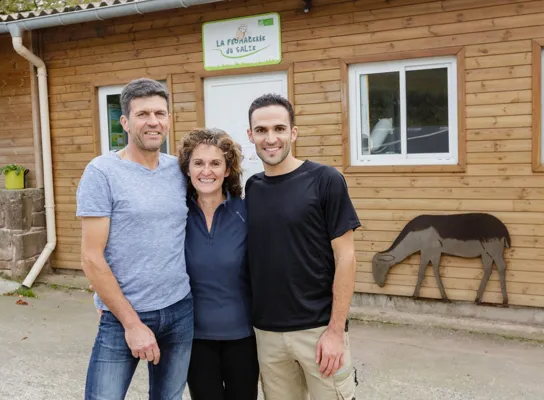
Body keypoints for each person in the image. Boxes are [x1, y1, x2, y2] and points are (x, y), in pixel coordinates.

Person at [77, 78, 193, 400]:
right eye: (143, 114)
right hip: (123, 317)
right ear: (125, 122)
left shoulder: (179, 171)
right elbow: (91, 257)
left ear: (169, 119)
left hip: (180, 310)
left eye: (160, 113)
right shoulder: (102, 172)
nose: (153, 121)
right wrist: (131, 323)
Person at [244, 93, 360, 400]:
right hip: (267, 333)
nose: (271, 138)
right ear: (250, 135)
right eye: (262, 130)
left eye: (279, 129)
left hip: (318, 331)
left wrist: (336, 332)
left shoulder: (325, 180)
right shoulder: (252, 188)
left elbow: (346, 258)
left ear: (293, 132)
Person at [177, 128, 259, 400]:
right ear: (187, 169)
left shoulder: (246, 212)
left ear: (227, 170)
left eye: (215, 163)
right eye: (198, 163)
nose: (206, 171)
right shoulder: (176, 216)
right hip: (195, 338)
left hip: (243, 337)